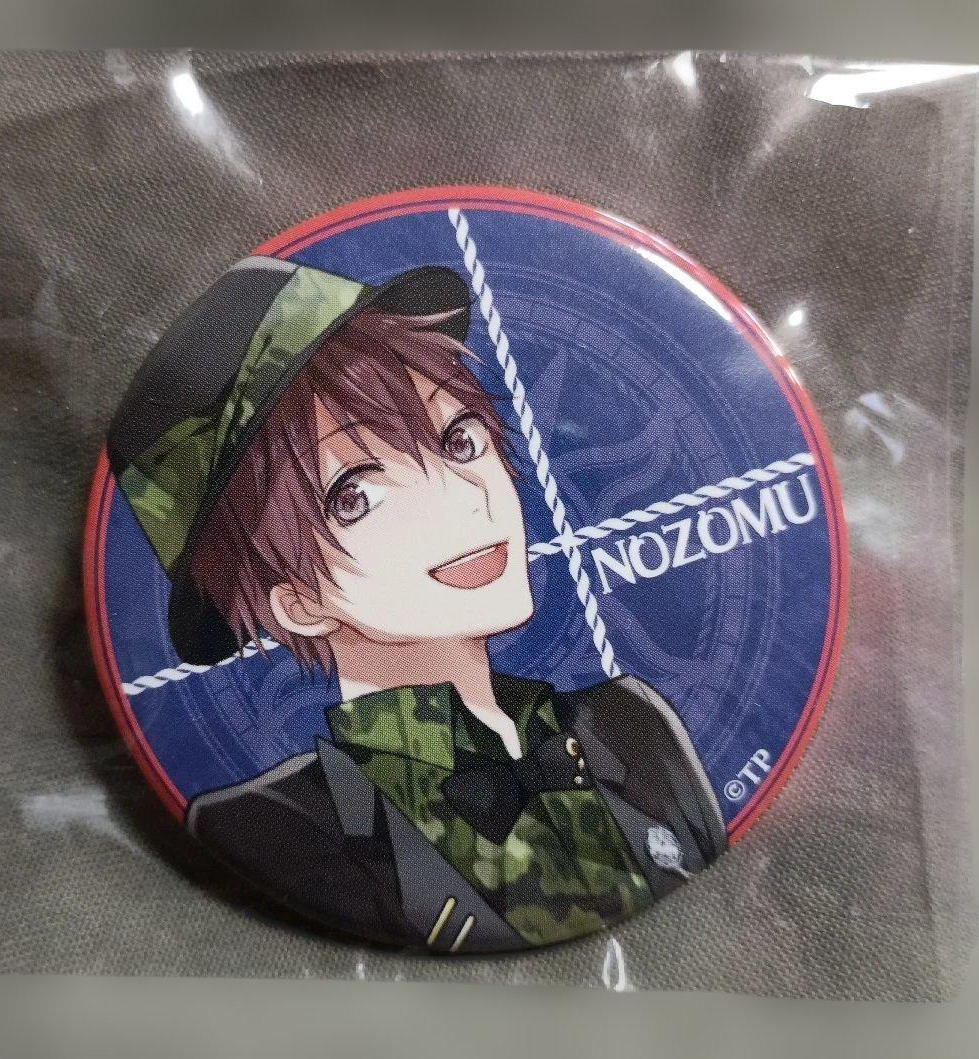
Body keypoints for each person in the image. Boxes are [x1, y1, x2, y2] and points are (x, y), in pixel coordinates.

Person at [108, 255, 727, 953]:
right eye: (355, 495)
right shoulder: (271, 827)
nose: (465, 498)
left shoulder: (633, 726)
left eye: (460, 440)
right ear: (298, 603)